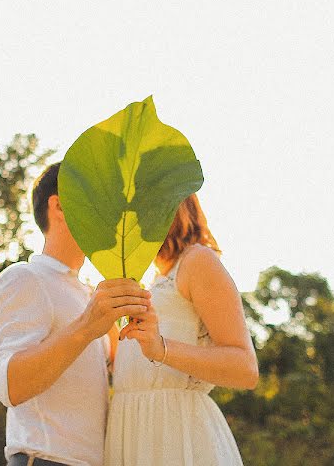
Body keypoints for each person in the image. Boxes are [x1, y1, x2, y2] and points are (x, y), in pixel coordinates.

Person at [0, 162, 151, 466]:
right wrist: (87, 326)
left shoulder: (88, 293)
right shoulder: (25, 278)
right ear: (59, 205)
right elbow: (10, 386)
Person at [105, 193, 259, 465]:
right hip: (130, 436)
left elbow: (245, 368)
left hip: (180, 436)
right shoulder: (150, 281)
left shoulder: (197, 261)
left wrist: (161, 348)